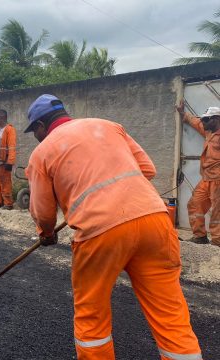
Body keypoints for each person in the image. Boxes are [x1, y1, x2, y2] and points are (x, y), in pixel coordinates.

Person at [24, 94, 201, 360]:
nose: (36, 136)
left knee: (91, 315)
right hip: (154, 219)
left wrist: (46, 234)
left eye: (34, 131)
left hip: (99, 231)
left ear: (40, 126)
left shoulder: (42, 152)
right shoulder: (108, 125)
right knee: (170, 314)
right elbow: (147, 169)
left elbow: (43, 212)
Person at [177, 101, 220, 246]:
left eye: (207, 119)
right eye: (204, 119)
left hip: (218, 180)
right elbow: (196, 123)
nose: (204, 121)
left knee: (217, 213)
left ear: (217, 119)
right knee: (195, 204)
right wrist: (184, 114)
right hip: (206, 178)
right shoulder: (209, 131)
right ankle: (200, 236)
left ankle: (217, 242)